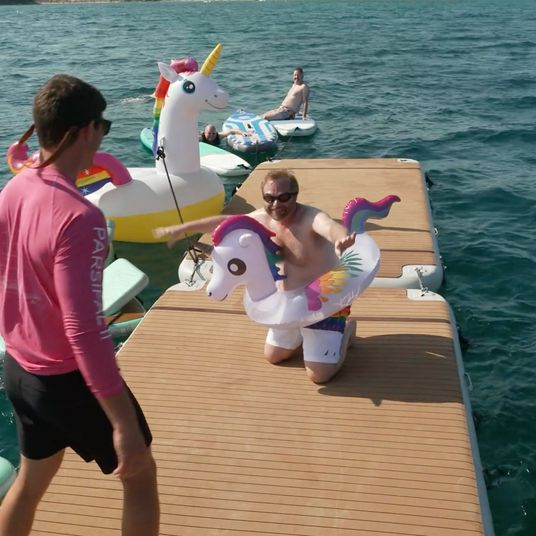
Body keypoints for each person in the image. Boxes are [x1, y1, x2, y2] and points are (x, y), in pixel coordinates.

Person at [0, 75, 159, 536]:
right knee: (140, 475)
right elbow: (84, 330)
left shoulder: (13, 190)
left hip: (21, 371)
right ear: (86, 130)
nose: (103, 136)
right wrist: (122, 424)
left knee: (32, 481)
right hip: (67, 379)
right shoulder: (81, 217)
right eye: (103, 126)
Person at [153, 169, 356, 384]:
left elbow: (329, 227)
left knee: (319, 376)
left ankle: (345, 331)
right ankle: (303, 333)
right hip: (287, 304)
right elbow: (222, 221)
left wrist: (340, 238)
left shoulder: (310, 217)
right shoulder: (260, 219)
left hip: (322, 303)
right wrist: (181, 229)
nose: (276, 204)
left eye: (283, 197)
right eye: (269, 198)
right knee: (274, 356)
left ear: (295, 195)